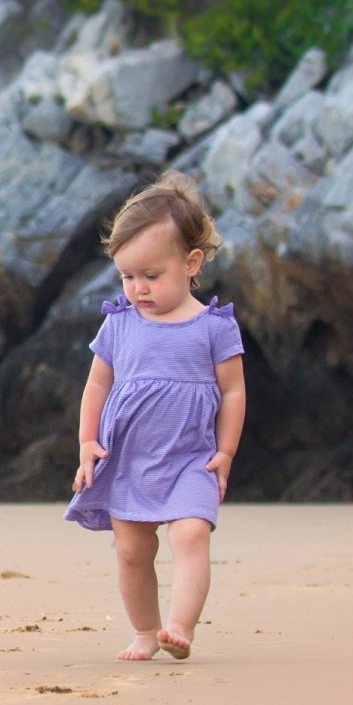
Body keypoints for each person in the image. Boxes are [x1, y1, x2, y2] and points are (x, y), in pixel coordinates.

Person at [65, 171, 246, 662]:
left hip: (192, 456)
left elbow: (233, 392)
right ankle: (145, 631)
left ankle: (179, 627)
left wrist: (225, 451)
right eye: (127, 276)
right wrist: (87, 444)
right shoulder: (119, 322)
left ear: (190, 264)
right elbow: (97, 384)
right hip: (127, 455)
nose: (138, 288)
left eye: (151, 275)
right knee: (132, 550)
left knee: (190, 534)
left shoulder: (214, 327)